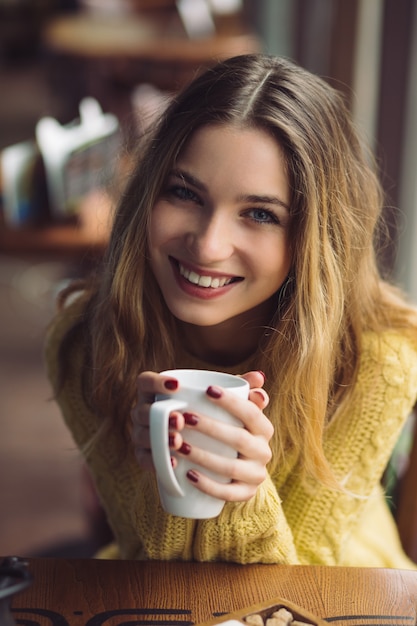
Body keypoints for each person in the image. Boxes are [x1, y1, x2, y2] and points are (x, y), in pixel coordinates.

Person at [45, 53, 417, 567]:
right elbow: (146, 561)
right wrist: (164, 483)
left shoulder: (375, 359)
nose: (209, 245)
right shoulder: (86, 340)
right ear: (148, 193)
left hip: (341, 584)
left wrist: (244, 493)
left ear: (314, 238)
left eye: (260, 214)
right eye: (184, 193)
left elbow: (292, 597)